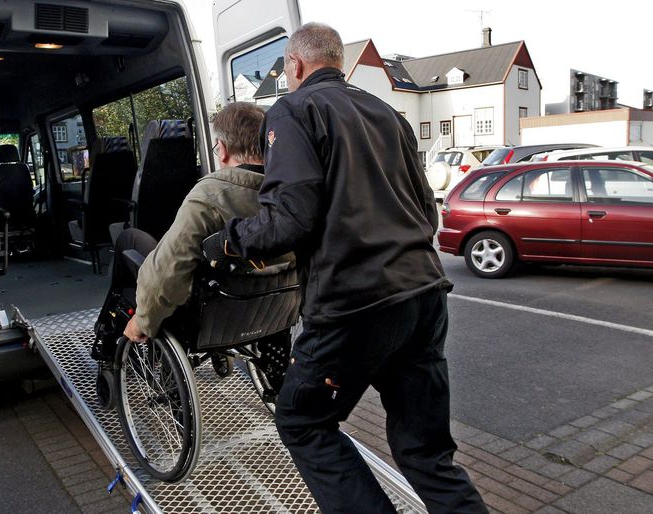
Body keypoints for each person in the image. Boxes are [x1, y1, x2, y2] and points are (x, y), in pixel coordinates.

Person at [202, 23, 487, 514]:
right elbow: (426, 210)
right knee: (426, 455)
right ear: (339, 62)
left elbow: (290, 217)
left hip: (355, 305)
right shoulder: (388, 114)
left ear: (295, 65)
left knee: (302, 420)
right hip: (422, 294)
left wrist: (226, 242)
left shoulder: (293, 111)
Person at [121, 101, 276, 342]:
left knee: (130, 239)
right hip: (272, 310)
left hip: (212, 315)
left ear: (222, 149)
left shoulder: (209, 195)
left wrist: (142, 320)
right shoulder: (291, 193)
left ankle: (109, 340)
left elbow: (167, 273)